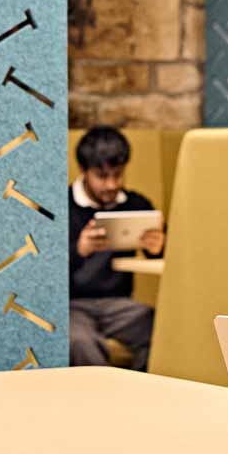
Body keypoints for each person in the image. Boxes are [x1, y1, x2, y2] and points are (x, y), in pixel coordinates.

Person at [69, 126, 167, 368]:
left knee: (164, 328)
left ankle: (139, 392)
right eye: (102, 176)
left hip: (120, 305)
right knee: (79, 341)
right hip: (71, 305)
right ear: (84, 171)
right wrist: (78, 250)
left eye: (118, 174)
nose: (112, 184)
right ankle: (102, 402)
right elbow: (40, 269)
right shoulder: (61, 207)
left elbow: (169, 254)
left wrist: (159, 248)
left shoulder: (137, 203)